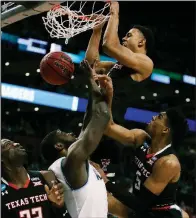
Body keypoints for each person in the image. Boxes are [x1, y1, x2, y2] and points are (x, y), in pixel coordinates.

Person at [40, 60, 129, 218]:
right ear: (59, 145)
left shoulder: (73, 159)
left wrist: (93, 88)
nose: (69, 132)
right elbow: (102, 116)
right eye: (63, 132)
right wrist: (91, 80)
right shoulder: (72, 160)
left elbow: (88, 122)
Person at [94, 74, 189, 218]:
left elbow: (139, 204)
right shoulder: (140, 137)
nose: (153, 117)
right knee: (98, 198)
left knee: (104, 198)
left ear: (165, 130)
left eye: (159, 117)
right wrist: (109, 95)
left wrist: (106, 182)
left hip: (158, 214)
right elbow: (108, 127)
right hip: (139, 205)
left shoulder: (168, 163)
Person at [85, 1, 154, 122]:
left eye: (129, 35)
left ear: (141, 42)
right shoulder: (116, 66)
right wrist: (97, 31)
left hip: (109, 122)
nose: (124, 38)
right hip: (94, 118)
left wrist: (114, 13)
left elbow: (109, 46)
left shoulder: (146, 63)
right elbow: (91, 65)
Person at [1, 138, 65, 218]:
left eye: (14, 142)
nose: (16, 143)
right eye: (8, 145)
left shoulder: (46, 176)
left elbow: (62, 211)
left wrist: (58, 205)